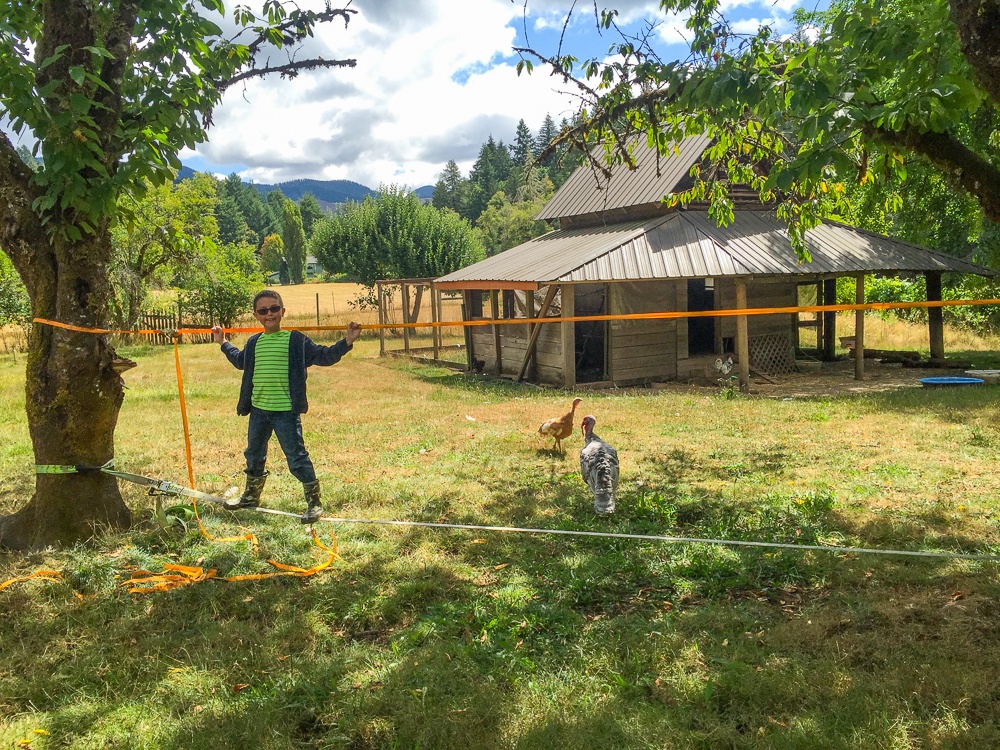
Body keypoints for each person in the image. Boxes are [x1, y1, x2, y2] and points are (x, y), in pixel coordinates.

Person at [211, 290, 361, 523]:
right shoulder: (253, 343)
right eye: (263, 311)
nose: (269, 314)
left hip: (285, 413)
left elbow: (325, 356)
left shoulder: (296, 341)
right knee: (253, 453)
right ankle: (251, 496)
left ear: (283, 311)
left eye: (273, 309)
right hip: (259, 412)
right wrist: (223, 342)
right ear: (256, 315)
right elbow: (240, 361)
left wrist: (348, 341)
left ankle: (314, 503)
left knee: (296, 457)